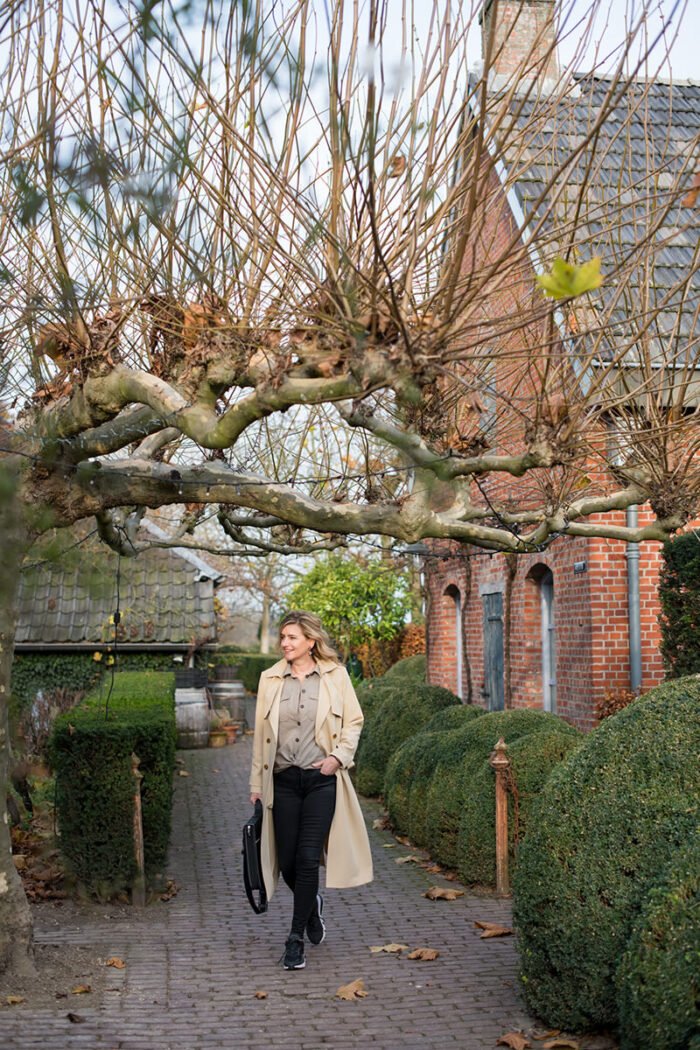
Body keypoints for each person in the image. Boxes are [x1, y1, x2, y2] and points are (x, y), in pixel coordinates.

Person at [249, 610, 373, 971]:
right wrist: (256, 784)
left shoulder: (335, 676)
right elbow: (260, 736)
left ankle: (294, 939)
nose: (285, 643)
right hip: (283, 781)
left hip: (321, 779)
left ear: (311, 641)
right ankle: (312, 908)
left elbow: (353, 721)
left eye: (292, 637)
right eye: (283, 637)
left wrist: (338, 758)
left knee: (306, 859)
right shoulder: (270, 679)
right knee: (286, 862)